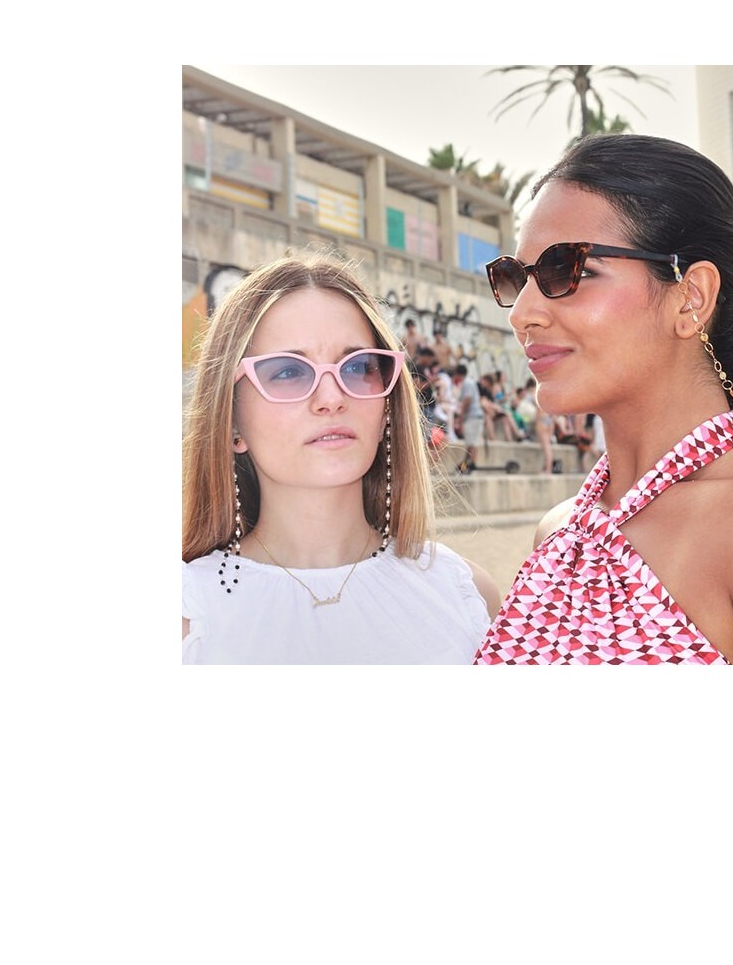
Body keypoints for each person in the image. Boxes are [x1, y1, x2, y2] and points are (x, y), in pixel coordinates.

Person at [473, 134, 733, 666]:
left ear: (690, 296)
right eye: (515, 278)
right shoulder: (560, 532)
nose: (522, 313)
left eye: (567, 270)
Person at [182, 251, 502, 663]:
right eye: (288, 371)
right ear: (231, 421)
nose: (332, 398)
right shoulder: (188, 617)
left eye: (358, 367)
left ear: (386, 407)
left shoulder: (468, 596)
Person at [451, 363, 484, 472]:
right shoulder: (470, 382)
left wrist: (461, 417)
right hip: (476, 416)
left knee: (472, 442)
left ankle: (470, 464)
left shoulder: (467, 383)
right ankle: (468, 463)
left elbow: (467, 400)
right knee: (472, 442)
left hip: (472, 416)